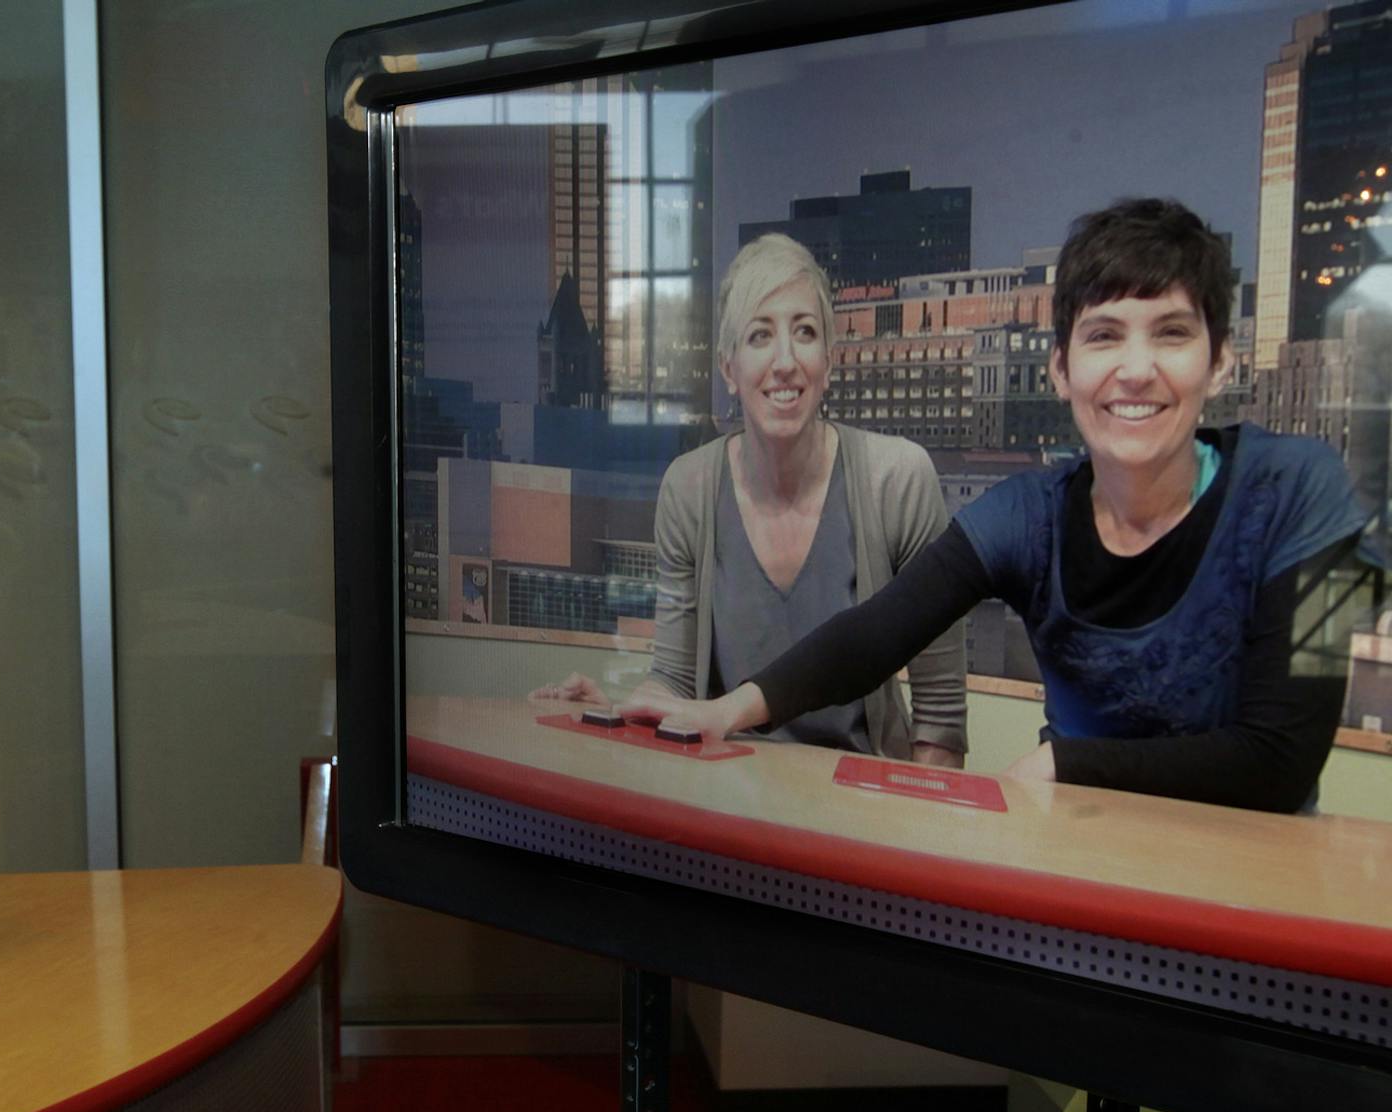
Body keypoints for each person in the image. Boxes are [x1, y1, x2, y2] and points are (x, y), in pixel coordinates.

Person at [650, 198, 1375, 813]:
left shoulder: (1306, 493)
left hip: (1249, 892)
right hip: (1070, 870)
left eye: (1173, 333)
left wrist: (1065, 764)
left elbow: (1283, 759)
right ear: (1061, 369)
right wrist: (726, 710)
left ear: (1221, 360)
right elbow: (874, 634)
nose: (1135, 369)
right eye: (1103, 336)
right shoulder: (1026, 517)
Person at [536, 233, 966, 765]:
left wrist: (901, 836)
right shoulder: (689, 489)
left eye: (804, 332)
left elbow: (939, 721)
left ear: (828, 361)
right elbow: (672, 679)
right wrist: (619, 714)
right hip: (727, 801)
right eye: (760, 336)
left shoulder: (896, 479)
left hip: (861, 809)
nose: (785, 361)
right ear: (728, 368)